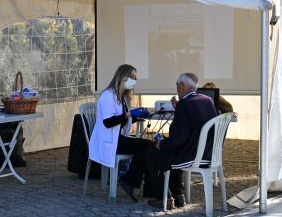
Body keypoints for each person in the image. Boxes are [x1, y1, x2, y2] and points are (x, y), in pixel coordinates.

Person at [120, 72, 217, 208]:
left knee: (152, 154)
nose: (176, 88)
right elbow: (194, 122)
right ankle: (178, 195)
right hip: (207, 155)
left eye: (177, 85)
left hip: (191, 156)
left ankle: (163, 198)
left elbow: (178, 139)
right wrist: (179, 109)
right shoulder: (207, 100)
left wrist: (161, 143)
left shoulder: (185, 104)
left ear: (182, 86)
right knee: (171, 152)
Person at [89, 64, 155, 201]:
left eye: (135, 78)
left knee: (148, 146)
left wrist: (139, 116)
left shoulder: (122, 97)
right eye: (131, 77)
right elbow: (108, 122)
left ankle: (144, 185)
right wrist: (129, 114)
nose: (134, 80)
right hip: (109, 141)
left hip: (118, 139)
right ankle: (131, 181)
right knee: (146, 145)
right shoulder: (108, 95)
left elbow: (123, 120)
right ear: (121, 76)